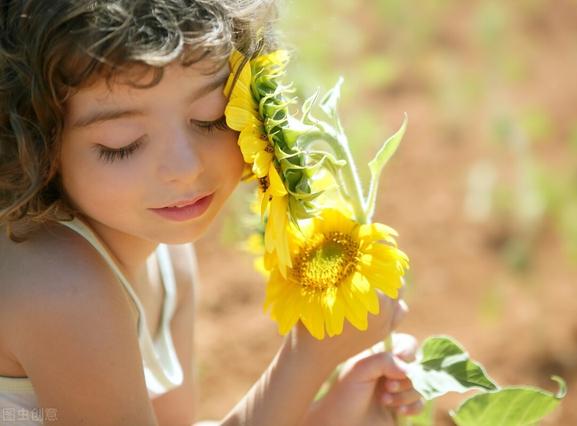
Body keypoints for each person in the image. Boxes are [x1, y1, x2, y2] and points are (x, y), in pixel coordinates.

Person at [0, 1, 424, 425]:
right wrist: (307, 359)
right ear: (35, 146)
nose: (185, 169)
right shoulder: (59, 290)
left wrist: (335, 412)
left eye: (211, 118)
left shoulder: (168, 259)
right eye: (122, 142)